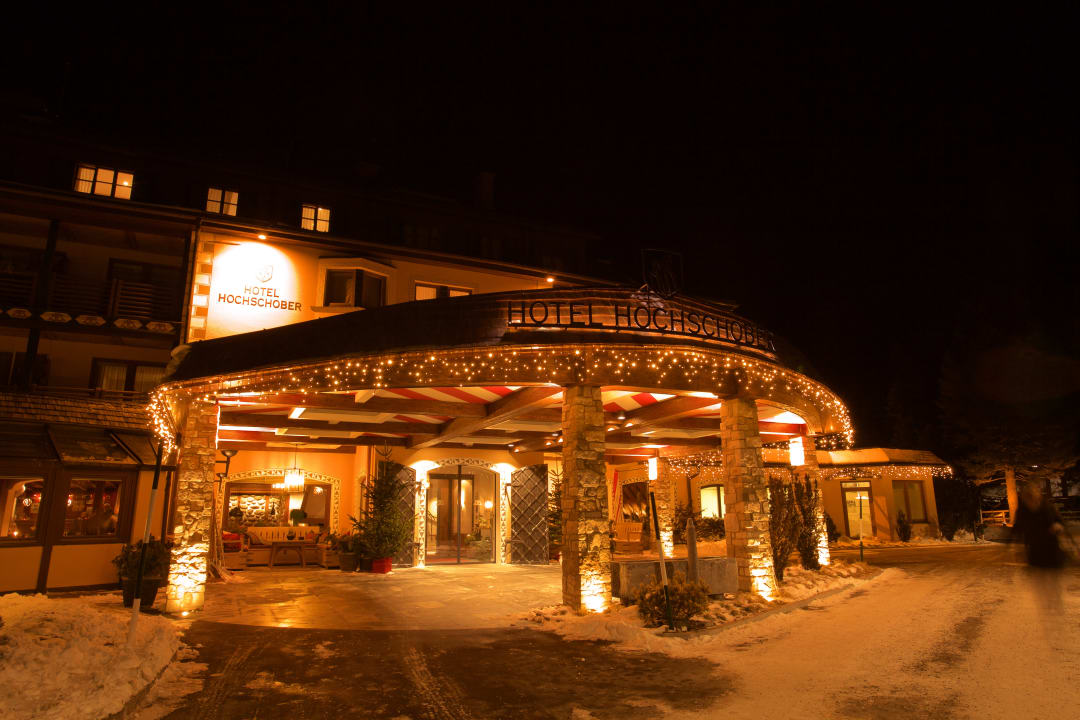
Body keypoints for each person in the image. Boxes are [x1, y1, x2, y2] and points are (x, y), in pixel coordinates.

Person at [1011, 482, 1073, 615]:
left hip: (1051, 547)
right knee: (1040, 580)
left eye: (1033, 496)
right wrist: (1014, 548)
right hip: (1035, 550)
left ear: (1038, 495)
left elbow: (1061, 522)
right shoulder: (1022, 511)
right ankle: (1046, 604)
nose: (1031, 500)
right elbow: (1016, 530)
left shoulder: (1048, 507)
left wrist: (1058, 527)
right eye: (1028, 497)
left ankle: (1056, 600)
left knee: (1053, 578)